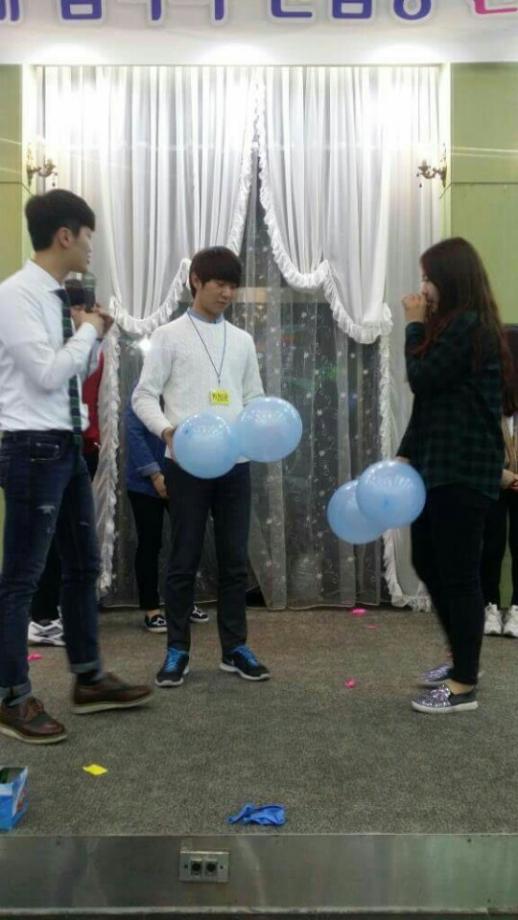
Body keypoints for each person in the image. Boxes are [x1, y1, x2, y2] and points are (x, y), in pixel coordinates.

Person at [0, 189, 151, 745]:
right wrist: (87, 330)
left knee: (83, 566)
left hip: (64, 445)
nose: (91, 248)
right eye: (88, 237)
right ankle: (11, 696)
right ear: (65, 235)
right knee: (21, 578)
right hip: (30, 446)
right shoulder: (15, 296)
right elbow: (44, 374)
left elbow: (74, 374)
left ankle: (88, 678)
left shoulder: (58, 297)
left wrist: (95, 334)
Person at [132, 246, 270, 687]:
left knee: (234, 560)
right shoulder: (169, 335)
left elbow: (253, 397)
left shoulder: (242, 340)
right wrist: (167, 432)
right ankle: (177, 650)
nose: (227, 293)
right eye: (219, 284)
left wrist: (259, 426)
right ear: (196, 281)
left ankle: (235, 648)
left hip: (235, 464)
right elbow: (143, 396)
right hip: (186, 464)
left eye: (233, 286)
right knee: (183, 558)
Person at [397, 237, 513, 714]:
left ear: (449, 279)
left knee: (459, 575)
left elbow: (421, 378)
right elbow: (431, 402)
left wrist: (411, 326)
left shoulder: (469, 326)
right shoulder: (453, 326)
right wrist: (405, 454)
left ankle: (463, 684)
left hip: (462, 468)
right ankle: (463, 658)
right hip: (439, 465)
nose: (422, 288)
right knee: (427, 560)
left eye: (428, 278)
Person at [28, 279, 104, 647]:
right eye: (84, 309)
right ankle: (41, 617)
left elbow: (87, 374)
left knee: (72, 543)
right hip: (47, 452)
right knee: (47, 541)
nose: (90, 316)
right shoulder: (50, 348)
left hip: (80, 449)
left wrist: (97, 336)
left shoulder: (82, 347)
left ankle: (52, 612)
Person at [125, 397, 209, 632]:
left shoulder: (184, 389)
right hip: (143, 484)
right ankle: (151, 610)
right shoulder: (141, 394)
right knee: (150, 543)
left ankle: (184, 603)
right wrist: (154, 474)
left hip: (183, 477)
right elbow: (134, 435)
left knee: (188, 541)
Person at [482, 405, 518, 637]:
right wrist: (507, 478)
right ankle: (490, 606)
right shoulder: (489, 405)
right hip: (493, 482)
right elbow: (478, 449)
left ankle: (516, 608)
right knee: (491, 546)